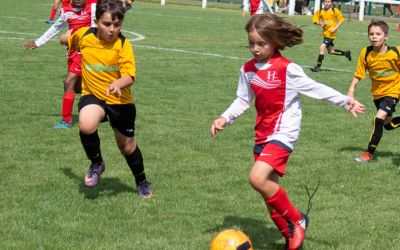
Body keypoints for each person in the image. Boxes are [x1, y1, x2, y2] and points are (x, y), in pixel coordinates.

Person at [210, 14, 364, 250]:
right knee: (267, 194)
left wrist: (346, 101)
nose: (255, 48)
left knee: (256, 178)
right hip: (262, 134)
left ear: (275, 42)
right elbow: (243, 100)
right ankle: (291, 239)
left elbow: (316, 88)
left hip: (283, 133)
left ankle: (297, 220)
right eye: (251, 43)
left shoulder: (287, 69)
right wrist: (224, 117)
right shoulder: (248, 70)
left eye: (261, 44)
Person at [65, 0, 152, 197]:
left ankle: (142, 181)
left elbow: (130, 76)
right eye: (106, 24)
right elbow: (71, 39)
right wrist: (60, 40)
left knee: (127, 147)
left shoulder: (123, 44)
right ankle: (97, 163)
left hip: (120, 101)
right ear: (96, 22)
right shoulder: (84, 36)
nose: (112, 29)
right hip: (94, 95)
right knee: (86, 125)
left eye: (117, 25)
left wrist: (117, 84)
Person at [25, 0, 97, 128]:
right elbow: (56, 27)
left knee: (68, 82)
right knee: (77, 88)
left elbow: (107, 15)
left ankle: (66, 120)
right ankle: (101, 106)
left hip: (86, 52)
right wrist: (38, 42)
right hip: (72, 51)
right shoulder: (66, 11)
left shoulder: (93, 7)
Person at [347, 20, 400, 163]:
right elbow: (359, 74)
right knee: (387, 125)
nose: (374, 37)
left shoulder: (396, 52)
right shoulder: (366, 53)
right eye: (371, 34)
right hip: (377, 94)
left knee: (378, 118)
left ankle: (369, 154)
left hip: (394, 91)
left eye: (378, 34)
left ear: (386, 37)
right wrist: (351, 90)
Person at [310, 0, 351, 72]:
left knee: (321, 48)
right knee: (331, 51)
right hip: (325, 34)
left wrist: (335, 28)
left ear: (331, 3)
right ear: (323, 2)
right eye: (325, 1)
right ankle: (346, 53)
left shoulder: (335, 11)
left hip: (331, 34)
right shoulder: (320, 11)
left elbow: (341, 20)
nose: (327, 3)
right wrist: (319, 23)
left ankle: (318, 67)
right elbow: (314, 20)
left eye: (329, 1)